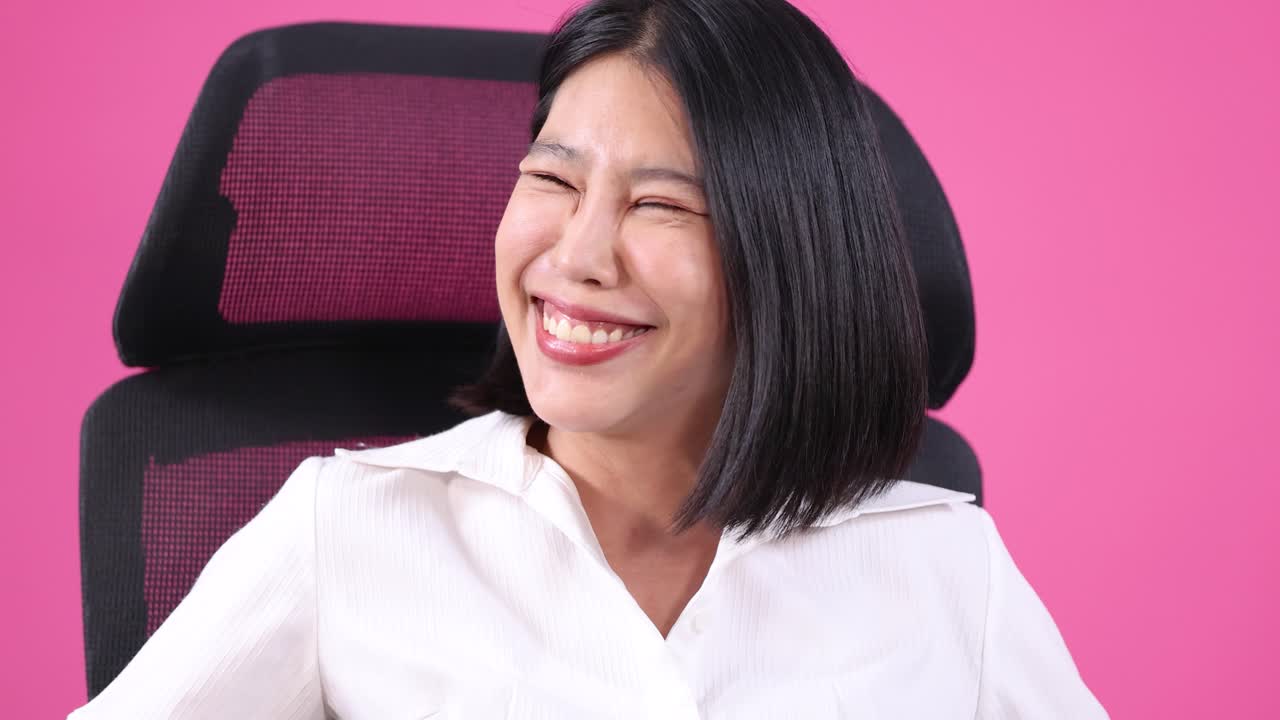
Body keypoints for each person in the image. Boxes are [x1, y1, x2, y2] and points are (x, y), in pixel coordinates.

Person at [68, 0, 1109, 717]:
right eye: (552, 182)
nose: (574, 256)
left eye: (657, 205)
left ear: (786, 260)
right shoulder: (346, 527)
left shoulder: (939, 566)